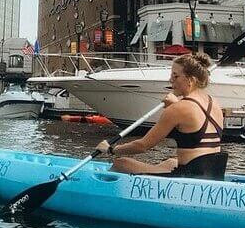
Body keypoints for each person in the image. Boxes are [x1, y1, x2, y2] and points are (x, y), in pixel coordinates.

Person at [95, 52, 223, 175]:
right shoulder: (214, 103)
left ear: (190, 80)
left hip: (189, 177)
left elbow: (142, 146)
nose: (170, 80)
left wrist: (111, 149)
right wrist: (176, 104)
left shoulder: (178, 109)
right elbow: (192, 121)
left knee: (121, 163)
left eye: (175, 76)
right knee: (170, 162)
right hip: (213, 173)